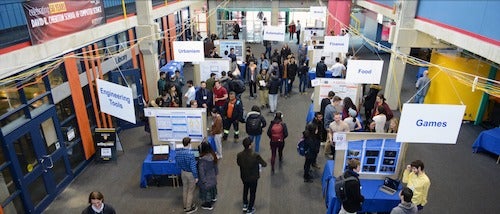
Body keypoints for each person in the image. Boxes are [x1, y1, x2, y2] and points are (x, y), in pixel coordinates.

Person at [237, 137, 267, 214]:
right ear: (250, 145)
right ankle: (250, 208)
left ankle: (245, 204)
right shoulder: (255, 155)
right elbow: (264, 164)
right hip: (253, 177)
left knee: (245, 189)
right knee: (252, 192)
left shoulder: (239, 155)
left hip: (244, 176)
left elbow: (238, 163)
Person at [175, 137, 199, 213]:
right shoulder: (190, 154)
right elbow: (193, 167)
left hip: (183, 172)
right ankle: (188, 208)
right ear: (189, 144)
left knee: (185, 188)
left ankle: (185, 205)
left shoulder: (178, 153)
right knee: (190, 191)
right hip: (190, 174)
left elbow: (177, 163)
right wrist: (196, 177)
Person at [198, 141, 219, 210]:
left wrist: (203, 181)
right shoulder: (213, 155)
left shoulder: (202, 160)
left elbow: (201, 172)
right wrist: (215, 174)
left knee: (206, 193)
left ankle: (208, 205)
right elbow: (215, 167)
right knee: (212, 189)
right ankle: (213, 198)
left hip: (206, 180)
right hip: (212, 177)